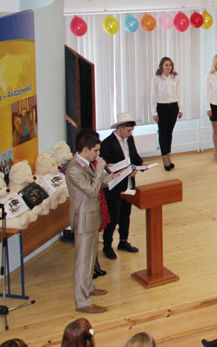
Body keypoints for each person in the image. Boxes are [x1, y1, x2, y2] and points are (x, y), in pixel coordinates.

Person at [66, 135, 114, 313]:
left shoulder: (85, 164)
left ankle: (89, 287)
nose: (98, 154)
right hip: (83, 220)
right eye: (95, 150)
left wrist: (111, 177)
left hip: (92, 217)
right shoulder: (74, 169)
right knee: (83, 262)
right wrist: (100, 171)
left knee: (90, 257)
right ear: (85, 150)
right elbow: (92, 191)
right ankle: (82, 302)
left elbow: (96, 183)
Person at [100, 113, 142, 260]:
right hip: (115, 186)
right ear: (120, 127)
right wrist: (121, 170)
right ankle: (107, 245)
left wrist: (141, 165)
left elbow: (135, 157)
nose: (130, 133)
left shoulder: (130, 139)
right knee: (113, 217)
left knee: (125, 214)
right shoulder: (107, 143)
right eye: (128, 130)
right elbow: (106, 167)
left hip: (128, 184)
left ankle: (123, 242)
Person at [151, 56, 182, 171]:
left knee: (169, 133)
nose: (168, 67)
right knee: (163, 133)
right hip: (162, 107)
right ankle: (164, 158)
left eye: (170, 65)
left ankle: (169, 156)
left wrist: (180, 108)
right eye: (166, 65)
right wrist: (154, 112)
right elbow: (153, 96)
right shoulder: (156, 78)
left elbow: (178, 93)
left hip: (173, 106)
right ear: (162, 66)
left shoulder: (175, 77)